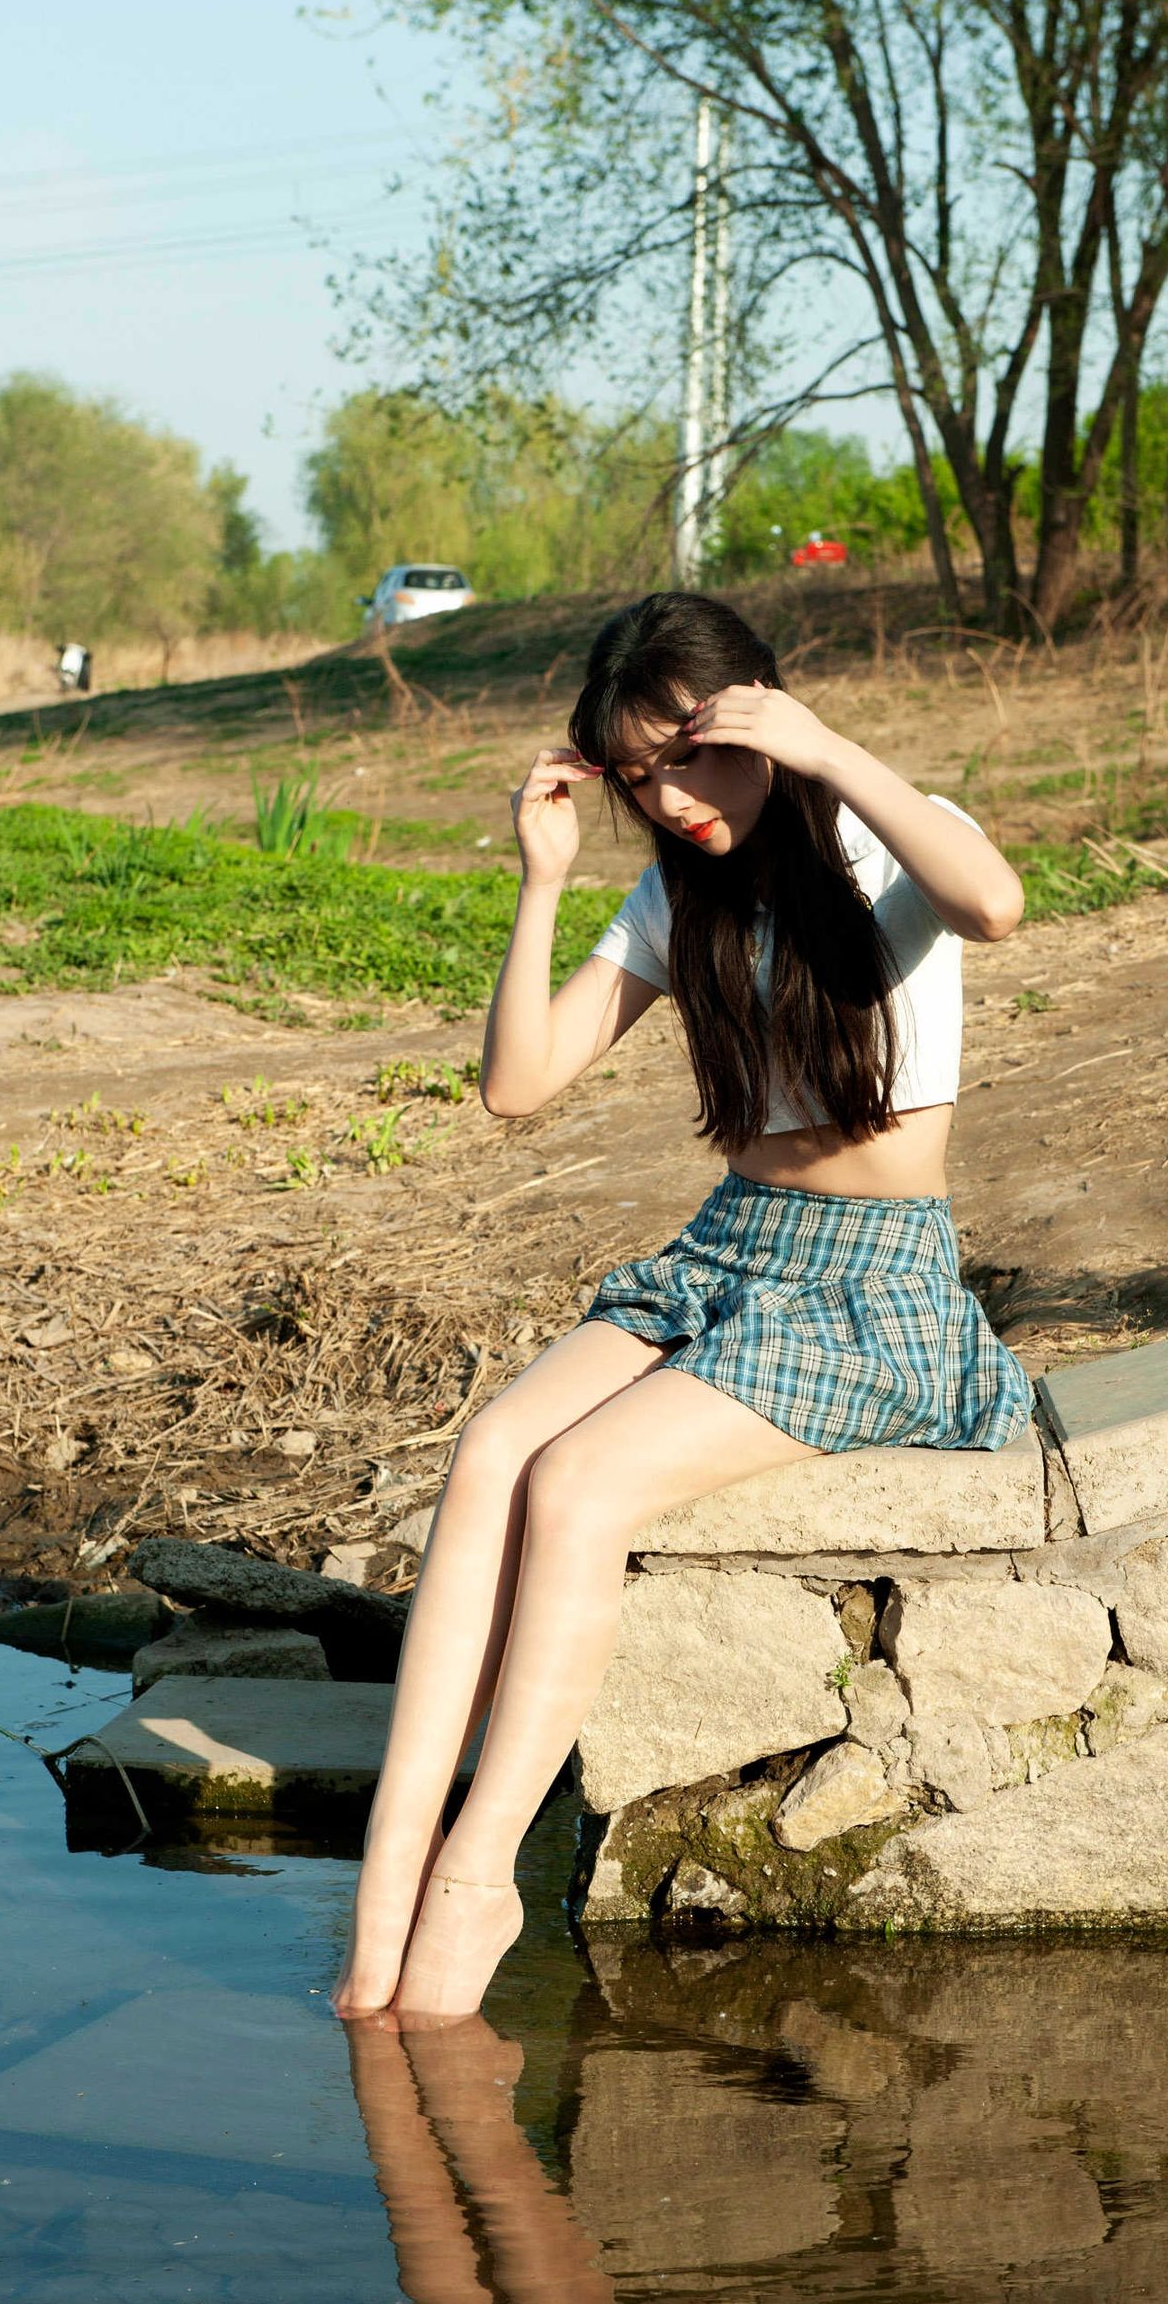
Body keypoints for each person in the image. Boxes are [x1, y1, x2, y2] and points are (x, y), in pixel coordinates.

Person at [332, 589, 1033, 2023]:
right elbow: (519, 1085)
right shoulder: (678, 895)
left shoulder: (883, 839)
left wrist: (826, 750)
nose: (670, 799)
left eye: (691, 757)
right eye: (640, 776)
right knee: (493, 1455)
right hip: (730, 1248)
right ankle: (387, 1877)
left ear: (761, 714)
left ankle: (479, 1873)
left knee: (580, 1482)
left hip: (872, 1284)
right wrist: (541, 878)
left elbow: (995, 903)